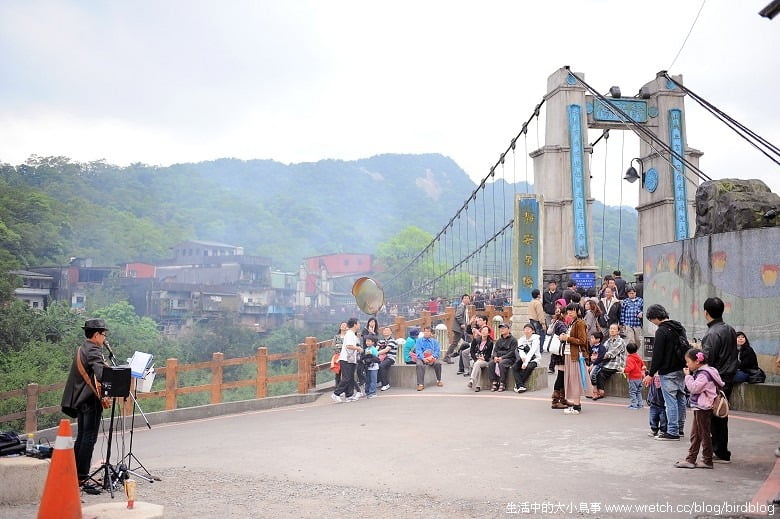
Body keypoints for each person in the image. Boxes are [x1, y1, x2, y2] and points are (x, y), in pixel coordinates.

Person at [61, 318, 111, 494]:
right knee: (89, 438)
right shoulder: (94, 351)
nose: (105, 338)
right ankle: (82, 476)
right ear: (96, 334)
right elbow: (101, 373)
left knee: (82, 436)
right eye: (104, 334)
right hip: (90, 400)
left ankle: (76, 474)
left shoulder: (83, 348)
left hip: (81, 400)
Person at [701, 297, 738, 463]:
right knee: (721, 414)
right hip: (728, 377)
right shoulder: (729, 329)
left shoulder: (711, 334)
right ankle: (722, 449)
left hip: (715, 379)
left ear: (706, 313)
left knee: (713, 416)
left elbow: (708, 359)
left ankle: (719, 450)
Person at [643, 304, 687, 441]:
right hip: (681, 368)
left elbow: (658, 355)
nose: (653, 323)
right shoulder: (679, 327)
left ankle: (672, 431)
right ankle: (680, 428)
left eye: (651, 320)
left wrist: (651, 374)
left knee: (670, 401)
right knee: (681, 399)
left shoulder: (662, 331)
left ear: (655, 317)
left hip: (667, 371)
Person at [675, 349, 724, 469]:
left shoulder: (703, 374)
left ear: (697, 361)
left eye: (688, 361)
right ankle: (692, 459)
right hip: (702, 407)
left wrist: (688, 377)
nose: (687, 364)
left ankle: (706, 460)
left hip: (702, 407)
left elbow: (694, 388)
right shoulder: (709, 371)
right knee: (697, 434)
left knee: (702, 434)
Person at [558, 303, 590, 414]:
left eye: (572, 310)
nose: (570, 312)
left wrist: (567, 338)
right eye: (568, 310)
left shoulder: (580, 323)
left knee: (575, 380)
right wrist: (564, 337)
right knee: (572, 380)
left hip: (575, 355)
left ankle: (577, 406)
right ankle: (576, 404)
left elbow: (582, 341)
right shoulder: (572, 322)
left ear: (578, 311)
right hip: (569, 354)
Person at [332, 318, 363, 403]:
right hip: (346, 359)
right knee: (346, 378)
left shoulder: (352, 334)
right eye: (358, 323)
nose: (359, 325)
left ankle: (349, 395)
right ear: (354, 324)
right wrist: (358, 348)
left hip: (351, 359)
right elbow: (348, 346)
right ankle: (336, 393)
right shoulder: (349, 334)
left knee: (350, 378)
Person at [594, 323, 627, 400]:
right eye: (611, 329)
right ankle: (596, 391)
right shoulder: (608, 341)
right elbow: (602, 350)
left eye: (614, 329)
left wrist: (598, 357)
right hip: (607, 362)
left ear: (618, 332)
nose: (612, 330)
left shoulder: (620, 341)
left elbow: (611, 354)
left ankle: (600, 391)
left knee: (600, 371)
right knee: (594, 369)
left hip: (616, 364)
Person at [512, 323, 541, 393]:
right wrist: (523, 358)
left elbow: (532, 351)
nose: (527, 331)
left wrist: (525, 363)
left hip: (534, 359)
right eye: (525, 329)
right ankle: (520, 386)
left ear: (533, 331)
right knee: (514, 367)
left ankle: (518, 384)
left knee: (529, 367)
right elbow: (520, 350)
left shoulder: (536, 339)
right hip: (524, 358)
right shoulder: (521, 340)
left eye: (528, 329)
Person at [488, 323, 517, 392]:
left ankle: (502, 383)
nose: (502, 330)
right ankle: (494, 382)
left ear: (508, 329)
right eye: (501, 328)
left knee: (502, 363)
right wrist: (495, 357)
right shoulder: (499, 340)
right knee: (491, 363)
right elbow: (495, 350)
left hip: (509, 358)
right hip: (498, 357)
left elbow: (512, 352)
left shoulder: (513, 340)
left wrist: (502, 357)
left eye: (504, 328)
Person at [414, 326, 443, 391]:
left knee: (438, 363)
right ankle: (420, 384)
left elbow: (437, 351)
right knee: (419, 365)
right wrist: (423, 358)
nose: (426, 333)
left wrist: (432, 357)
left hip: (431, 357)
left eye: (428, 331)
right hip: (421, 358)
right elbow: (418, 351)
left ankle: (439, 380)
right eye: (425, 331)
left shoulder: (435, 342)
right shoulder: (419, 341)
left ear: (431, 333)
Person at [467, 325, 493, 392]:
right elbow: (472, 351)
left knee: (478, 364)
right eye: (482, 330)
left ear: (488, 333)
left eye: (485, 331)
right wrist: (476, 359)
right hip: (475, 359)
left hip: (484, 361)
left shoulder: (490, 343)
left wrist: (484, 358)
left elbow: (489, 355)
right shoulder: (476, 340)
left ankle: (472, 380)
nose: (483, 332)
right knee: (478, 365)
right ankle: (478, 386)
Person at [445, 294, 470, 363]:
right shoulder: (461, 307)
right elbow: (458, 315)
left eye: (467, 298)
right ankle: (447, 356)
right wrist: (462, 323)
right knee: (455, 343)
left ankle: (467, 354)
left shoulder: (465, 307)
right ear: (462, 299)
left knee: (468, 340)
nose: (466, 299)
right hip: (459, 328)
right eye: (465, 298)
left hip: (461, 328)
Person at [624, 343, 645, 409]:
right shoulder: (638, 356)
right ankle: (640, 404)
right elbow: (642, 364)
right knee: (638, 391)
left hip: (633, 378)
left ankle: (634, 405)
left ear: (627, 350)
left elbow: (630, 368)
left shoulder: (630, 358)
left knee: (632, 392)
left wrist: (624, 370)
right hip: (639, 377)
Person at [376, 326, 397, 391]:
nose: (385, 331)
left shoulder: (392, 341)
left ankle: (386, 384)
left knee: (382, 366)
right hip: (381, 357)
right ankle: (378, 381)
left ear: (391, 332)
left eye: (387, 330)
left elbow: (386, 350)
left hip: (390, 358)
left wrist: (376, 353)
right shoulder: (381, 341)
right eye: (384, 330)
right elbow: (376, 348)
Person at [332, 321, 348, 386]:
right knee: (338, 373)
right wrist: (342, 346)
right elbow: (333, 346)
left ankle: (344, 388)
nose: (343, 326)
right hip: (338, 356)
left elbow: (348, 346)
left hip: (346, 356)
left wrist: (339, 345)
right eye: (342, 325)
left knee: (345, 373)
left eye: (344, 325)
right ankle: (337, 388)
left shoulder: (348, 336)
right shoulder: (336, 336)